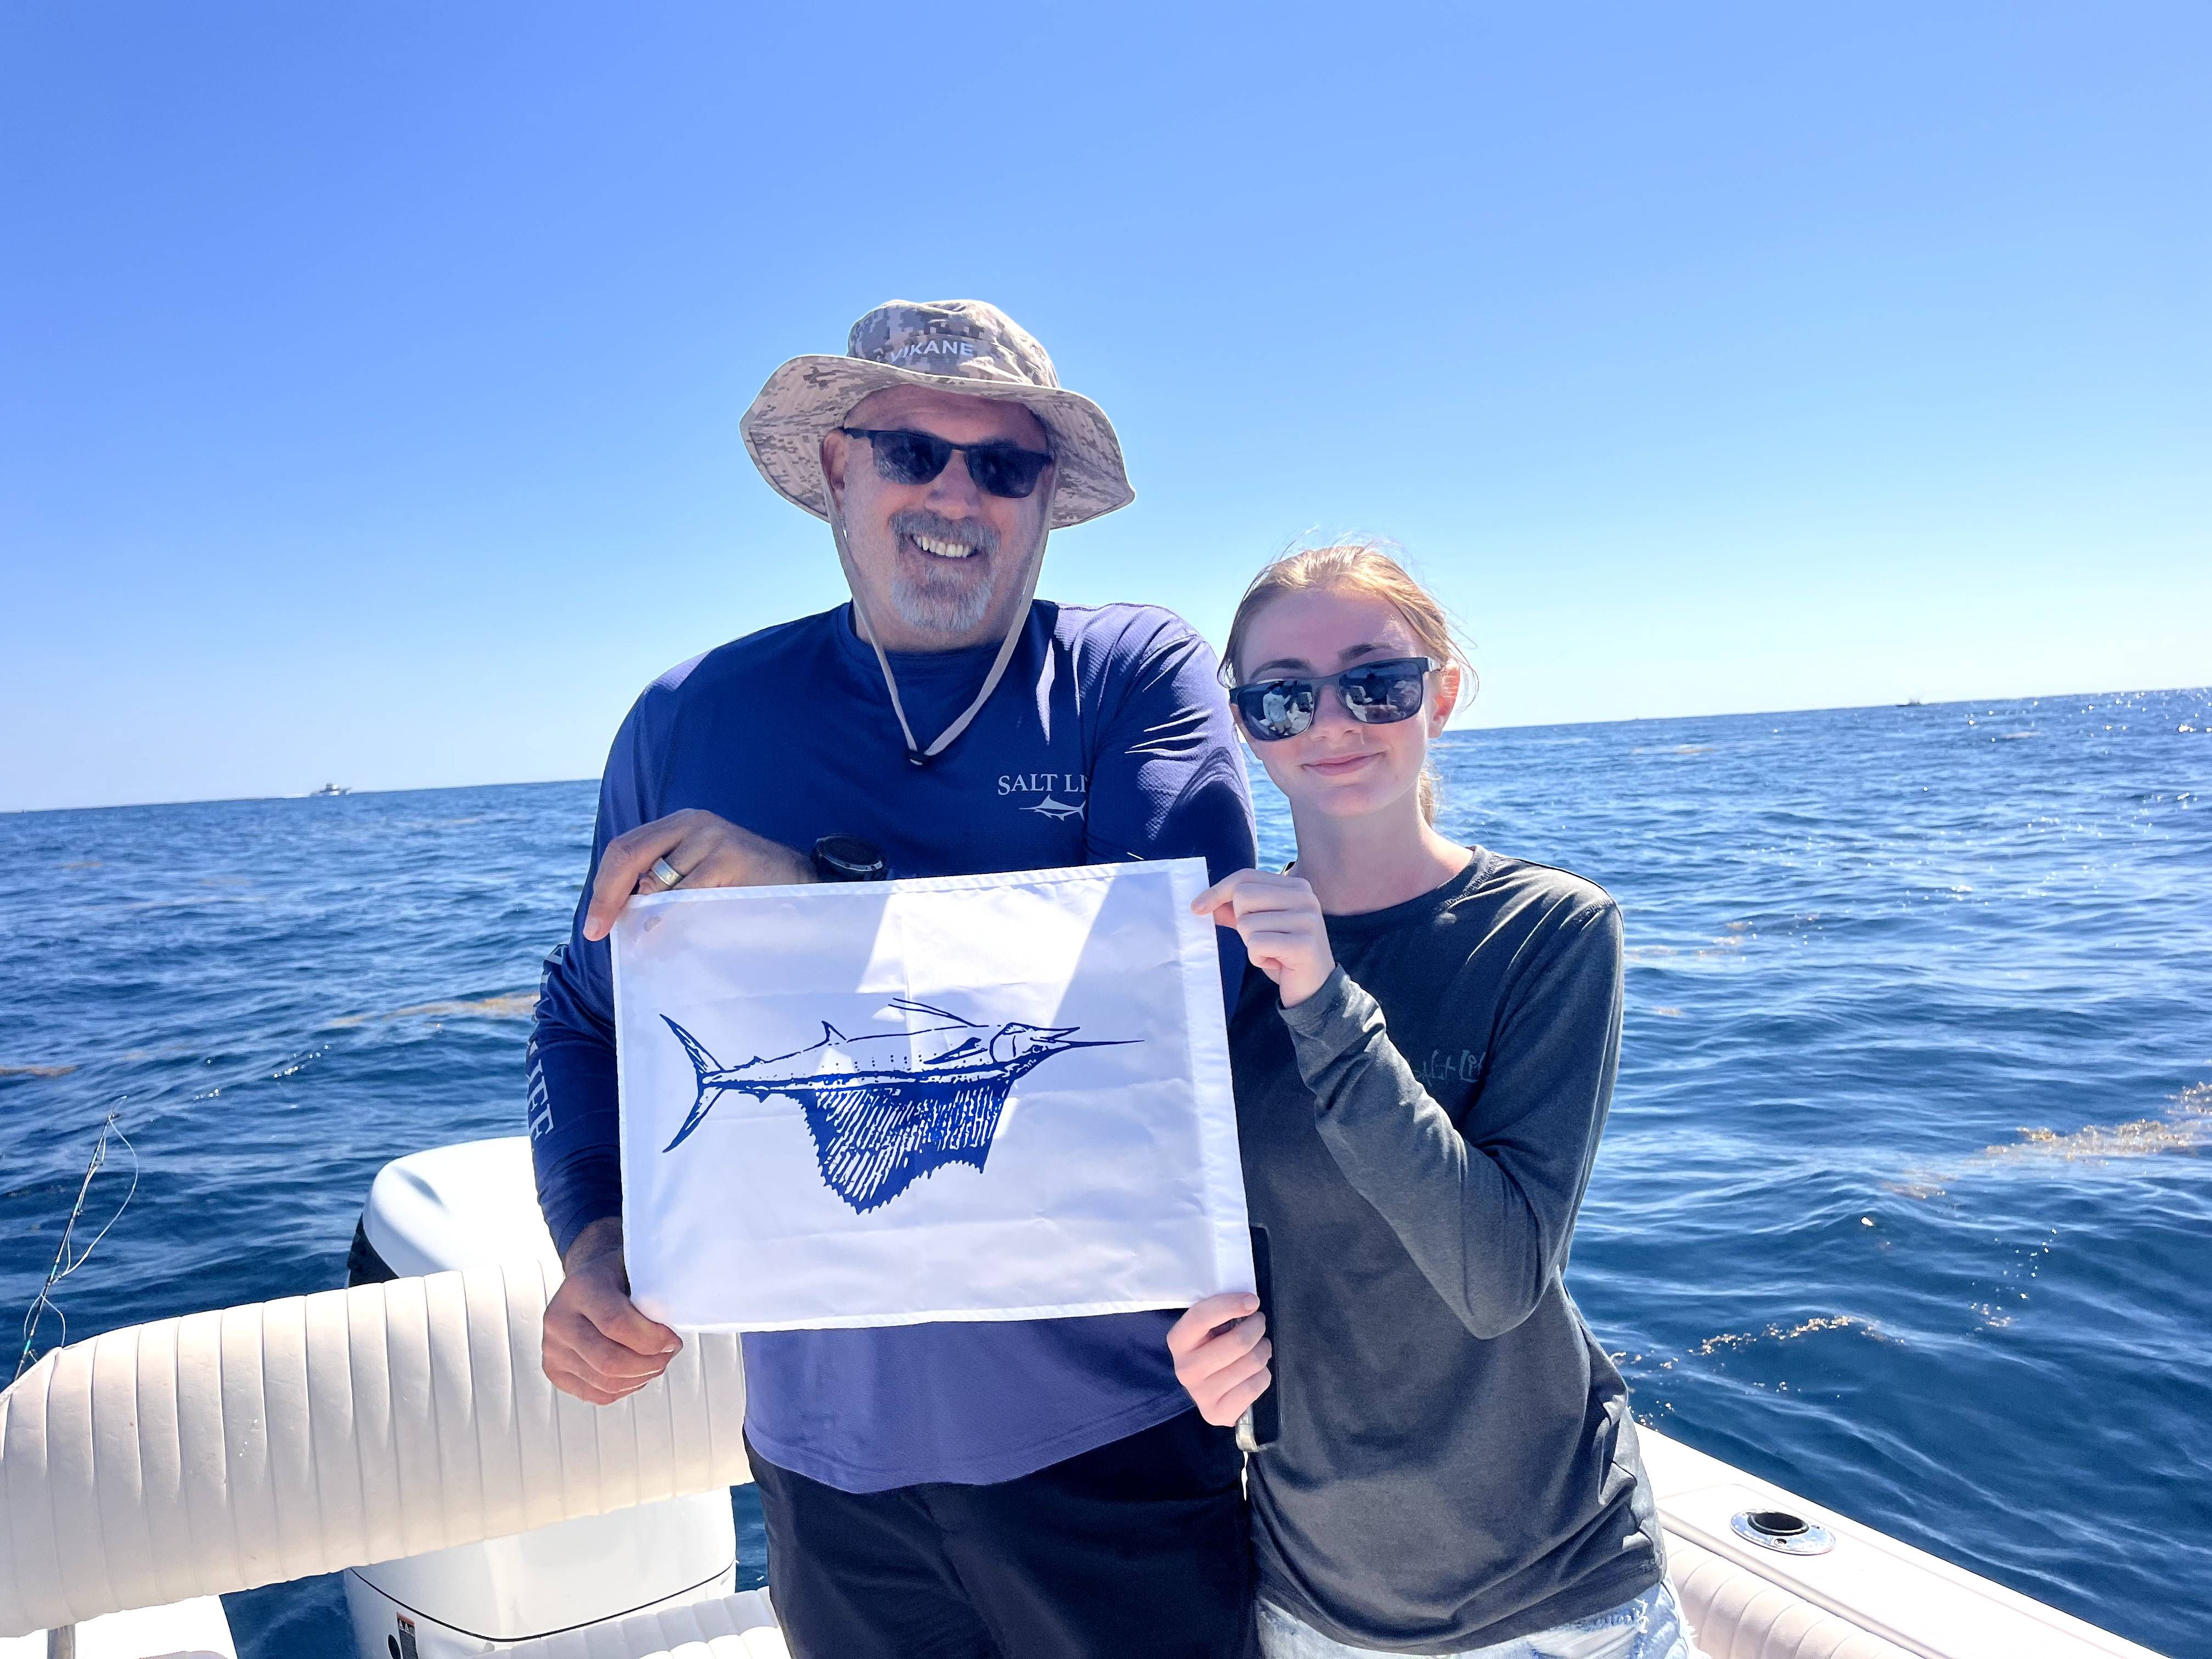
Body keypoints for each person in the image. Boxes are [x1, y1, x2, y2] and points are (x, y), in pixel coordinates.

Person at [527, 300, 1258, 1658]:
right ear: (834, 472)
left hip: (1115, 1441)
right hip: (822, 1469)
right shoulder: (689, 716)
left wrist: (808, 899)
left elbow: (1180, 982)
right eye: (911, 450)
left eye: (1004, 465)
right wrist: (592, 1240)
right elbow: (577, 1018)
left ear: (1047, 500)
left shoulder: (1126, 677)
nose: (955, 494)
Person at [1169, 545, 1697, 1659]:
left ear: (1441, 694)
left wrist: (1319, 997)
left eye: (1376, 681)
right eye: (1281, 695)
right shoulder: (1202, 963)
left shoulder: (1551, 929)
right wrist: (1185, 1356)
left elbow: (1499, 1277)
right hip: (1310, 1597)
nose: (1331, 721)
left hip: (1558, 1597)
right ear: (1245, 725)